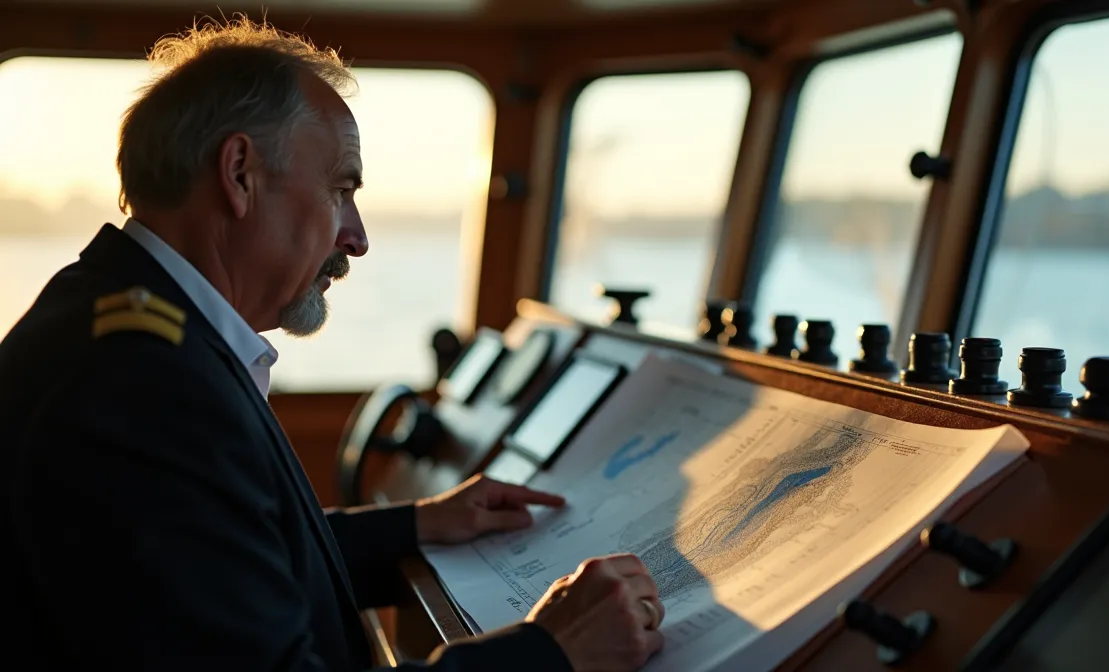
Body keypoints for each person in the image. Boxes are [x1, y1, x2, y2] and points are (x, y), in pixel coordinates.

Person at [0, 16, 666, 672]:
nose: (357, 237)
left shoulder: (123, 319)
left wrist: (418, 526)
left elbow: (223, 559)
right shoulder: (144, 387)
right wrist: (551, 652)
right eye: (341, 189)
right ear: (239, 174)